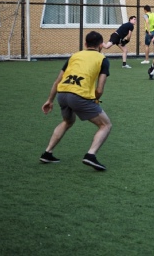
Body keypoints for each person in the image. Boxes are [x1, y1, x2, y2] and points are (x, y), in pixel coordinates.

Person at [39, 31, 112, 171]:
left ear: (85, 44)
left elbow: (57, 81)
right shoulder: (103, 59)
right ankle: (91, 155)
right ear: (101, 45)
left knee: (68, 121)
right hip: (79, 96)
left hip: (62, 94)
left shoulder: (74, 56)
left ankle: (47, 153)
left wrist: (50, 100)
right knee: (106, 125)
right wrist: (95, 100)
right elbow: (100, 89)